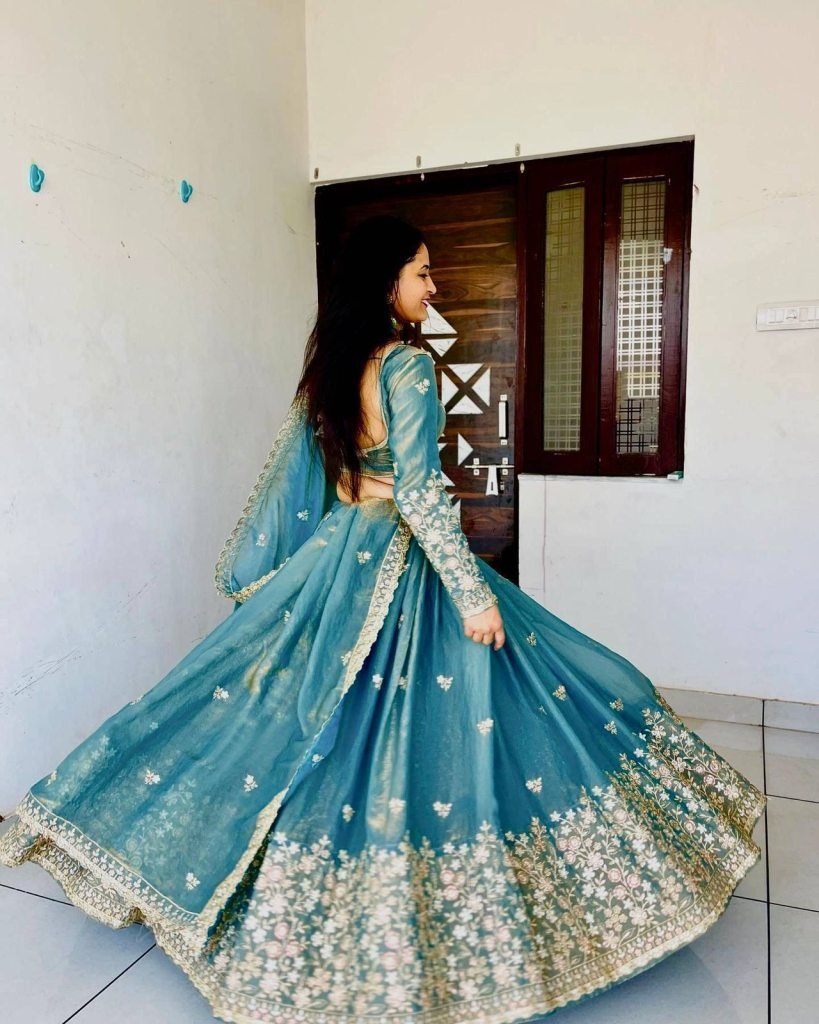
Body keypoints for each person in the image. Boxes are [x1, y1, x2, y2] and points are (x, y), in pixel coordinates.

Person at [0, 214, 766, 1024]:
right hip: (403, 554)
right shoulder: (405, 365)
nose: (433, 288)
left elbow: (321, 481)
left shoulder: (331, 370)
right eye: (421, 273)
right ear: (386, 283)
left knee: (320, 719)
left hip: (342, 551)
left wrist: (295, 569)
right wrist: (471, 594)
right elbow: (423, 493)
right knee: (452, 715)